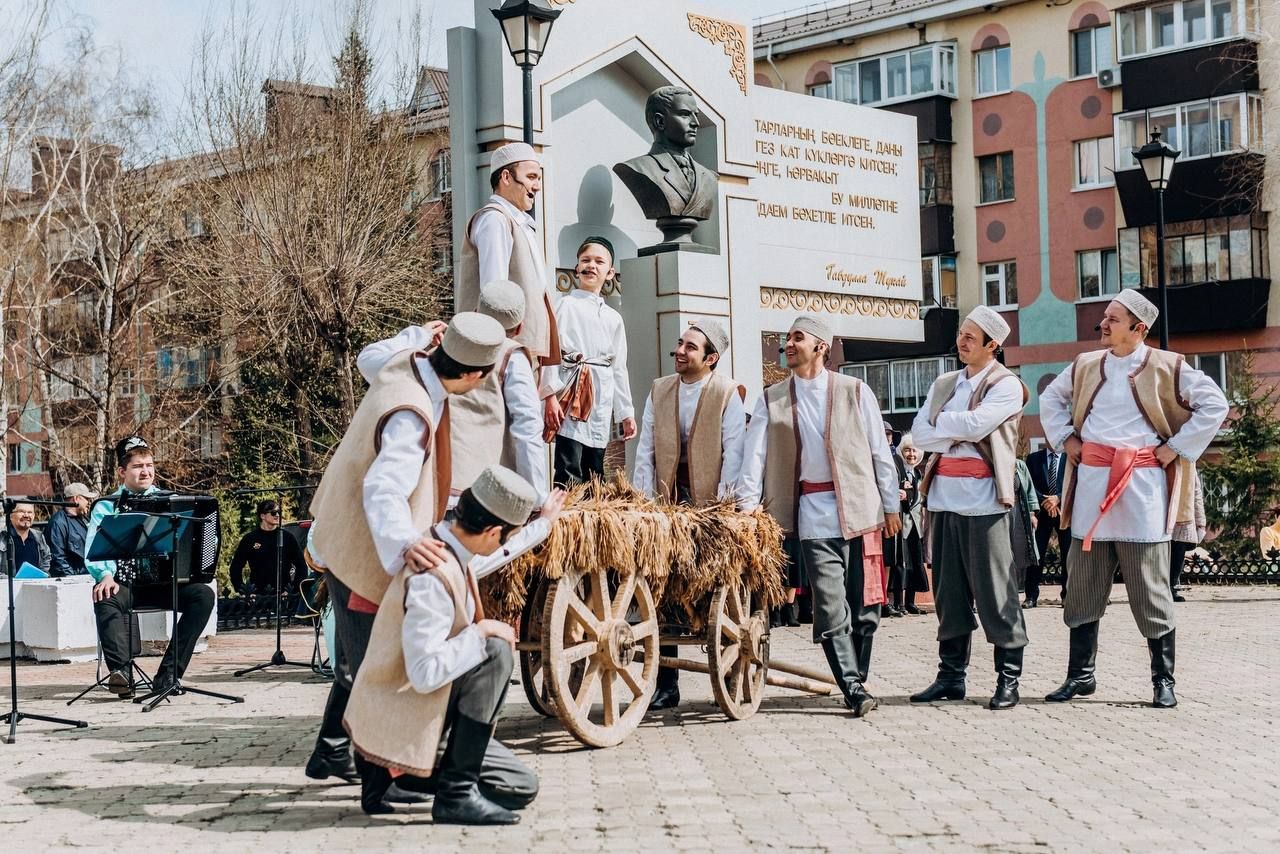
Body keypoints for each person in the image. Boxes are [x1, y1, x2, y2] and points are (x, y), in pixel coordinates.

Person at [303, 313, 506, 799]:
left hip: (348, 534)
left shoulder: (407, 363)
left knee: (362, 660)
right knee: (377, 664)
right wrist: (406, 544)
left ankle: (339, 753)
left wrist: (417, 334)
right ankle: (384, 780)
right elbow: (383, 486)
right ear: (474, 376)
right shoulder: (413, 412)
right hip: (364, 544)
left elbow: (367, 356)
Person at [1039, 289, 1228, 708]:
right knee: (1083, 583)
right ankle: (1081, 675)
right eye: (1105, 317)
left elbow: (1215, 403)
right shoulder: (1086, 365)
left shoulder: (1168, 365)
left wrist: (1176, 447)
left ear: (1139, 328)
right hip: (1091, 486)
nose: (1103, 324)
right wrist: (1066, 439)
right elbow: (1050, 398)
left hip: (1142, 489)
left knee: (1150, 586)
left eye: (1113, 319)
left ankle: (1164, 681)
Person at [346, 466, 565, 824]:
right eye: (505, 537)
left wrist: (542, 525)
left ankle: (386, 774)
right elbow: (423, 673)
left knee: (520, 784)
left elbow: (493, 556)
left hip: (420, 711)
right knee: (494, 652)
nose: (505, 544)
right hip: (403, 716)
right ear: (492, 531)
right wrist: (479, 634)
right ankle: (454, 793)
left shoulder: (447, 544)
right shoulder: (432, 577)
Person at [739, 315, 901, 718]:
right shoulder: (771, 398)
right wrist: (746, 508)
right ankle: (852, 688)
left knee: (866, 609)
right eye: (786, 338)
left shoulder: (855, 391)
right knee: (831, 608)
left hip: (861, 512)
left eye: (797, 338)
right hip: (811, 516)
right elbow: (753, 458)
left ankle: (856, 678)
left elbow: (880, 452)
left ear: (821, 347)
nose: (788, 344)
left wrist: (891, 506)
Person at [909, 306, 1030, 711]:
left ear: (992, 345)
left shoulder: (1007, 384)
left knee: (996, 593)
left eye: (971, 337)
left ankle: (1008, 678)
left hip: (985, 502)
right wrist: (949, 428)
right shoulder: (945, 382)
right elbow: (919, 433)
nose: (961, 341)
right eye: (961, 334)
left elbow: (978, 427)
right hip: (943, 499)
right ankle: (950, 676)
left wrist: (944, 426)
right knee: (949, 592)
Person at [632, 318, 746, 711]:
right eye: (680, 344)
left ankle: (731, 671)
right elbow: (645, 450)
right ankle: (666, 682)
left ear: (711, 358)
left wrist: (725, 510)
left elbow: (735, 453)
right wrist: (644, 505)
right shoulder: (659, 390)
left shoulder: (727, 393)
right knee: (660, 590)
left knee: (720, 585)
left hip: (709, 507)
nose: (679, 351)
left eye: (690, 347)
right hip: (666, 504)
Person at [357, 281, 549, 505]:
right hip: (484, 494)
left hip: (427, 488)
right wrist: (536, 496)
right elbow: (527, 427)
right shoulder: (511, 356)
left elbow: (368, 362)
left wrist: (418, 335)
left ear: (476, 312)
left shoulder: (442, 345)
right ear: (519, 328)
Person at [86, 437, 216, 700]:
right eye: (137, 466)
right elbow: (93, 549)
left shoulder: (173, 501)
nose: (145, 471)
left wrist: (203, 553)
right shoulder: (106, 506)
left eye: (149, 465)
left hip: (165, 584)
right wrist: (106, 575)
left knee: (203, 595)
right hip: (126, 584)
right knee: (104, 594)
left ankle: (168, 674)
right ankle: (121, 672)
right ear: (122, 472)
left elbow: (201, 537)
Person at [543, 237, 636, 486]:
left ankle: (592, 516)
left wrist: (626, 412)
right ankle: (566, 516)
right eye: (585, 260)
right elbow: (550, 355)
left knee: (595, 468)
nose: (591, 266)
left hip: (601, 395)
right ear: (576, 268)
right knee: (568, 464)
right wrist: (549, 395)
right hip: (572, 391)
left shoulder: (613, 318)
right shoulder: (565, 306)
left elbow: (619, 368)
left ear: (610, 272)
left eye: (598, 261)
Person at [458, 142, 557, 364]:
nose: (537, 186)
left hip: (523, 351)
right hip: (506, 354)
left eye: (538, 178)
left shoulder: (518, 222)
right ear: (506, 177)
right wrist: (499, 357)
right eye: (531, 177)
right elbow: (495, 294)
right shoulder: (495, 219)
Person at [228, 500, 308, 596]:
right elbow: (235, 567)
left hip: (284, 597)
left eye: (279, 512)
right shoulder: (250, 539)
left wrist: (293, 589)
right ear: (262, 516)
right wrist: (243, 591)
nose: (277, 515)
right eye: (273, 512)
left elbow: (301, 566)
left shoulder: (287, 537)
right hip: (257, 597)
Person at [1024, 446, 1071, 607]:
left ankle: (1067, 595)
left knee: (1068, 554)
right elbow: (1027, 483)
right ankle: (1031, 596)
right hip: (1040, 514)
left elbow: (1074, 482)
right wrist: (1045, 501)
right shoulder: (1034, 458)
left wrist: (1057, 498)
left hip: (1064, 512)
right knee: (1036, 555)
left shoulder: (1070, 458)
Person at [893, 435, 929, 615]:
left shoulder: (917, 473)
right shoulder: (898, 471)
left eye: (914, 450)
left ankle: (910, 602)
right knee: (901, 562)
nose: (911, 454)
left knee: (915, 561)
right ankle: (898, 602)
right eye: (907, 450)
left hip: (917, 524)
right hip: (902, 522)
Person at [1169, 469, 1206, 602]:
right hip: (1162, 513)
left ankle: (1173, 587)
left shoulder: (1188, 463)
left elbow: (1196, 493)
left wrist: (1201, 522)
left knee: (1178, 552)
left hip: (1183, 515)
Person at [46, 483, 95, 577]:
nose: (89, 502)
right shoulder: (58, 522)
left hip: (87, 578)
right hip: (75, 582)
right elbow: (57, 559)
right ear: (76, 498)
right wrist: (74, 580)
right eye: (86, 499)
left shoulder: (83, 519)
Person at [1011, 456, 1041, 593]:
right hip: (997, 511)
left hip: (1018, 510)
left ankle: (1016, 589)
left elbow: (1029, 490)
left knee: (1019, 549)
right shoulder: (990, 462)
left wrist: (1032, 514)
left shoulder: (1019, 465)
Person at [6, 502, 51, 575]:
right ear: (11, 515)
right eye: (21, 511)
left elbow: (46, 559)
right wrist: (12, 581)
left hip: (35, 584)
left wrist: (41, 575)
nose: (26, 515)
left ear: (33, 516)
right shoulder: (3, 537)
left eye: (30, 512)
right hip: (8, 585)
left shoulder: (39, 536)